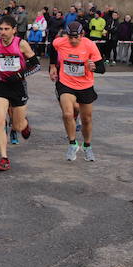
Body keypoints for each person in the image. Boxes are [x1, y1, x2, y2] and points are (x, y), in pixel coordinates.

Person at [0, 15, 39, 171]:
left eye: (6, 29)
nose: (2, 32)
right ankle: (4, 158)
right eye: (0, 29)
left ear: (14, 30)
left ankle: (24, 125)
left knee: (16, 125)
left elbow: (36, 65)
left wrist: (19, 75)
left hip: (18, 86)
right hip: (1, 86)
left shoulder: (21, 44)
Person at [50, 21, 105, 162]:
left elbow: (102, 69)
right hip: (66, 84)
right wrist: (52, 66)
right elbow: (52, 48)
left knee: (86, 119)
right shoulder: (60, 42)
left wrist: (94, 67)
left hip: (85, 86)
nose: (73, 40)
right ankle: (73, 144)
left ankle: (87, 146)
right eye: (70, 37)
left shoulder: (90, 45)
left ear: (82, 34)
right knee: (68, 114)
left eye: (76, 37)